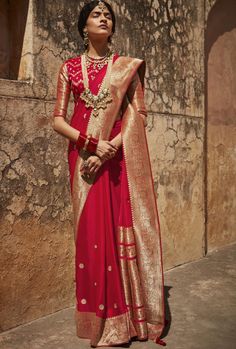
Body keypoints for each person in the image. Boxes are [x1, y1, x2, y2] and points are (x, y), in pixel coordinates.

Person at [52, 1, 166, 347]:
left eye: (108, 16)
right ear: (82, 26)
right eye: (96, 15)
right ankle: (99, 324)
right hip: (83, 159)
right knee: (90, 236)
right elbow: (57, 119)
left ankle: (125, 321)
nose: (104, 19)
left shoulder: (124, 67)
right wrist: (90, 143)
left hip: (117, 160)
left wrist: (109, 148)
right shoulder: (69, 68)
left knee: (116, 231)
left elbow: (138, 115)